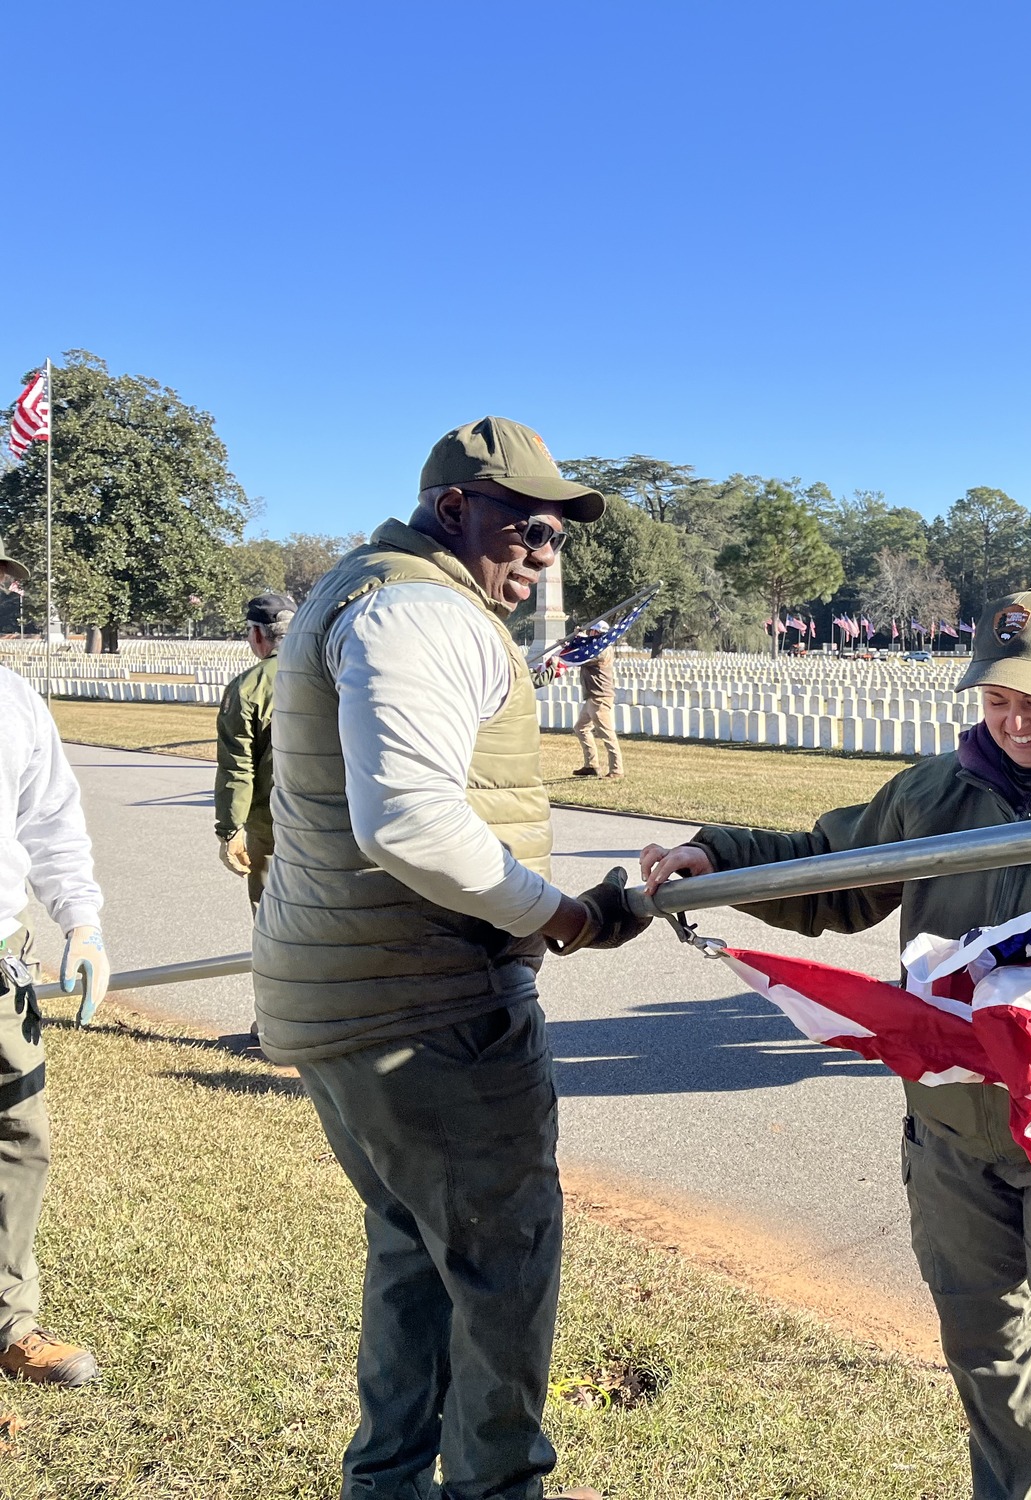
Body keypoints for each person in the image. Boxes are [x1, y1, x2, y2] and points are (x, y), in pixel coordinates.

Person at [640, 588, 1031, 1500]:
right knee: (988, 1367)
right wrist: (722, 858)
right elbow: (833, 875)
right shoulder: (935, 793)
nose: (1013, 720)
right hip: (951, 1143)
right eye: (995, 700)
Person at [252, 418, 652, 1500]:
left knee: (413, 1259)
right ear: (452, 510)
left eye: (560, 535)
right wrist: (558, 914)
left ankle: (387, 1485)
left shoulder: (360, 590)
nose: (542, 550)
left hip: (349, 997)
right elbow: (411, 826)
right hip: (428, 1005)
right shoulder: (422, 611)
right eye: (525, 525)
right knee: (499, 1275)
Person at [0, 542, 110, 1388]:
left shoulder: (14, 701)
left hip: (2, 959)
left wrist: (81, 926)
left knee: (19, 1136)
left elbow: (52, 824)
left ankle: (11, 1322)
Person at [215, 590, 296, 906]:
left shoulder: (248, 686)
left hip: (272, 825)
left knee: (269, 918)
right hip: (336, 823)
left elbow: (238, 767)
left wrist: (229, 829)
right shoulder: (334, 671)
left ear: (259, 633)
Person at [571, 650, 622, 779]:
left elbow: (583, 658)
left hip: (600, 697)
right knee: (581, 728)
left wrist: (573, 647)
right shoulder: (594, 646)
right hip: (592, 696)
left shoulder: (602, 649)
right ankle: (591, 765)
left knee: (607, 733)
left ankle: (616, 770)